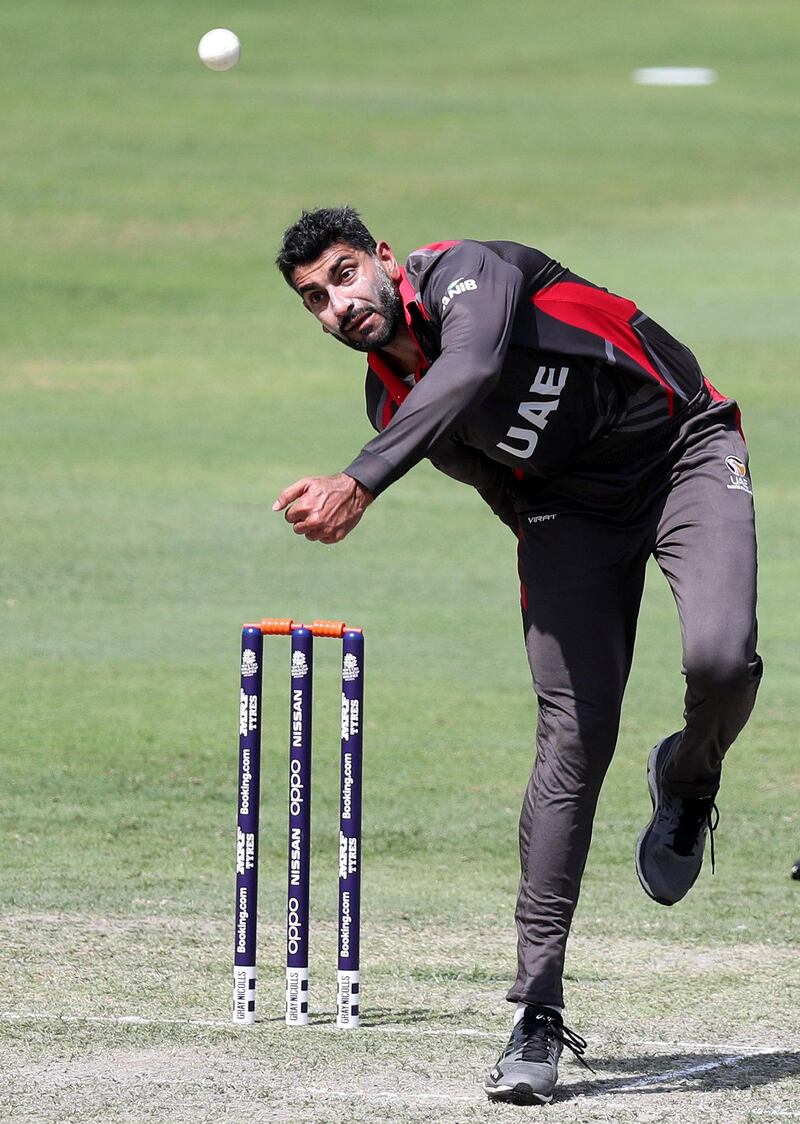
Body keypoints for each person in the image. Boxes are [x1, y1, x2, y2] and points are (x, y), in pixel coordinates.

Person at [272, 206, 762, 1106]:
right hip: (573, 512)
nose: (337, 305)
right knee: (572, 743)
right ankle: (536, 1009)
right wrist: (553, 560)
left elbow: (475, 365)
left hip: (685, 446)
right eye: (314, 300)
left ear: (385, 260)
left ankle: (688, 781)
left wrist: (359, 481)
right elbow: (502, 482)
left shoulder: (472, 272)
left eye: (344, 275)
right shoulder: (392, 400)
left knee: (722, 662)